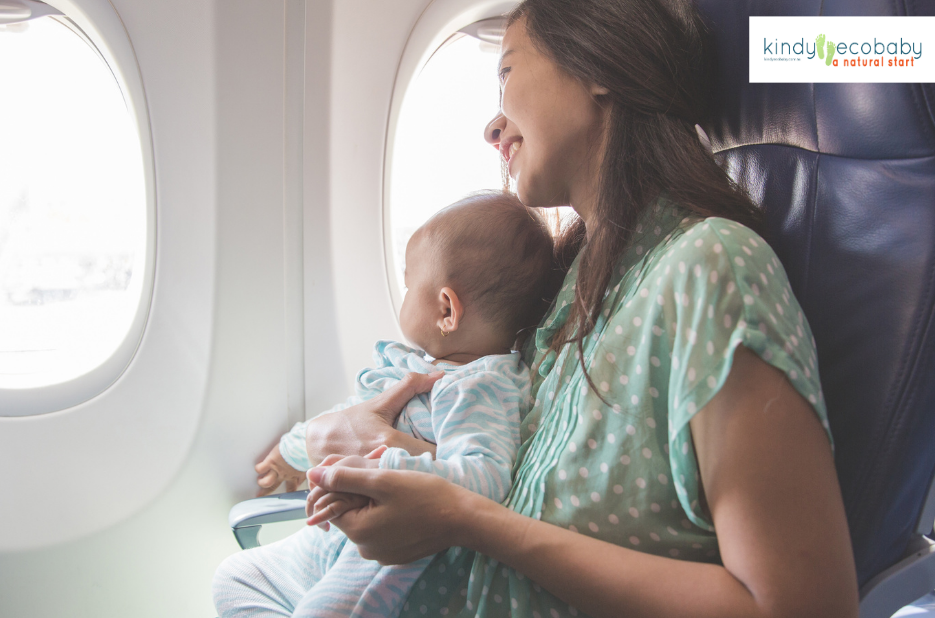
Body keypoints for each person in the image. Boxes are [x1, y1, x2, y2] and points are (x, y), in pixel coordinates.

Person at [295, 1, 861, 617]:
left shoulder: (712, 269)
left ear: (598, 66)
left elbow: (799, 608)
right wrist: (383, 453)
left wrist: (466, 520)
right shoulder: (570, 291)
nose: (493, 124)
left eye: (507, 72)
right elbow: (522, 484)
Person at [212, 192, 564, 618]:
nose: (404, 293)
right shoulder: (417, 366)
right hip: (334, 533)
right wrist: (292, 451)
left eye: (410, 284)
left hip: (388, 552)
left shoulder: (480, 386)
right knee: (236, 577)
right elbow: (353, 415)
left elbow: (484, 478)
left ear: (446, 309)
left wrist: (390, 466)